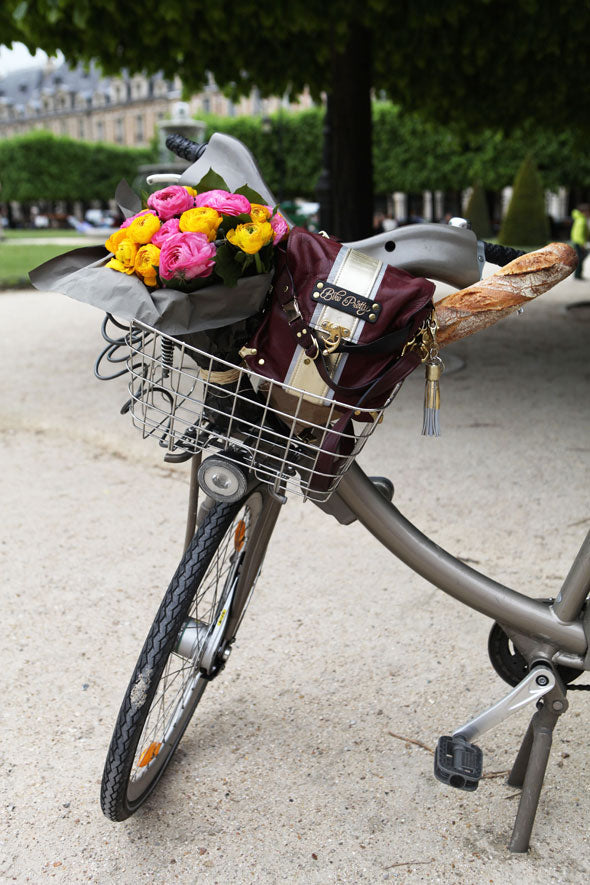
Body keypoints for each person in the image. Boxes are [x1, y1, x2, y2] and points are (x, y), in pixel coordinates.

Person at [570, 203, 590, 279]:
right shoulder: (582, 220)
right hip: (579, 242)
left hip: (577, 241)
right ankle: (578, 275)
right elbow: (580, 233)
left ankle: (578, 274)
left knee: (580, 258)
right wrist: (582, 243)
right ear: (583, 212)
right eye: (588, 212)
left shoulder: (579, 219)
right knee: (580, 259)